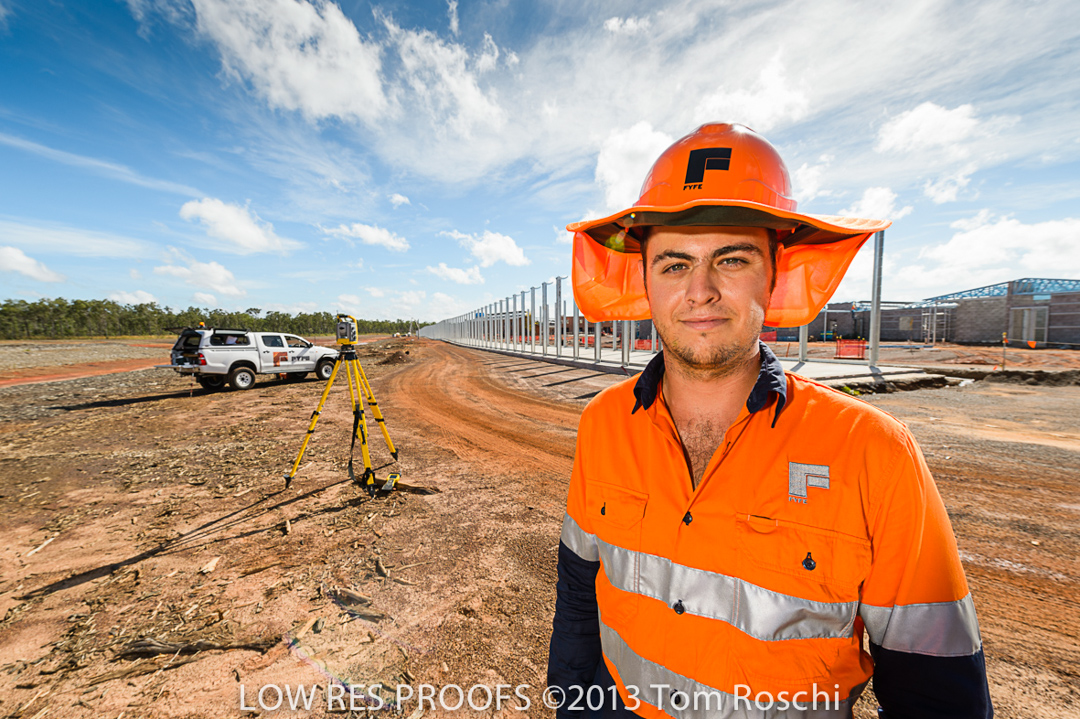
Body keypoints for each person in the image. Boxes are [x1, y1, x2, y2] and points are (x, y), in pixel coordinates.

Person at [547, 123, 992, 718]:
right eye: (674, 265)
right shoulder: (603, 423)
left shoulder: (873, 452)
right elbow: (580, 599)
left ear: (775, 272)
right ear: (644, 279)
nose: (701, 291)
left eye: (732, 259)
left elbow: (938, 694)